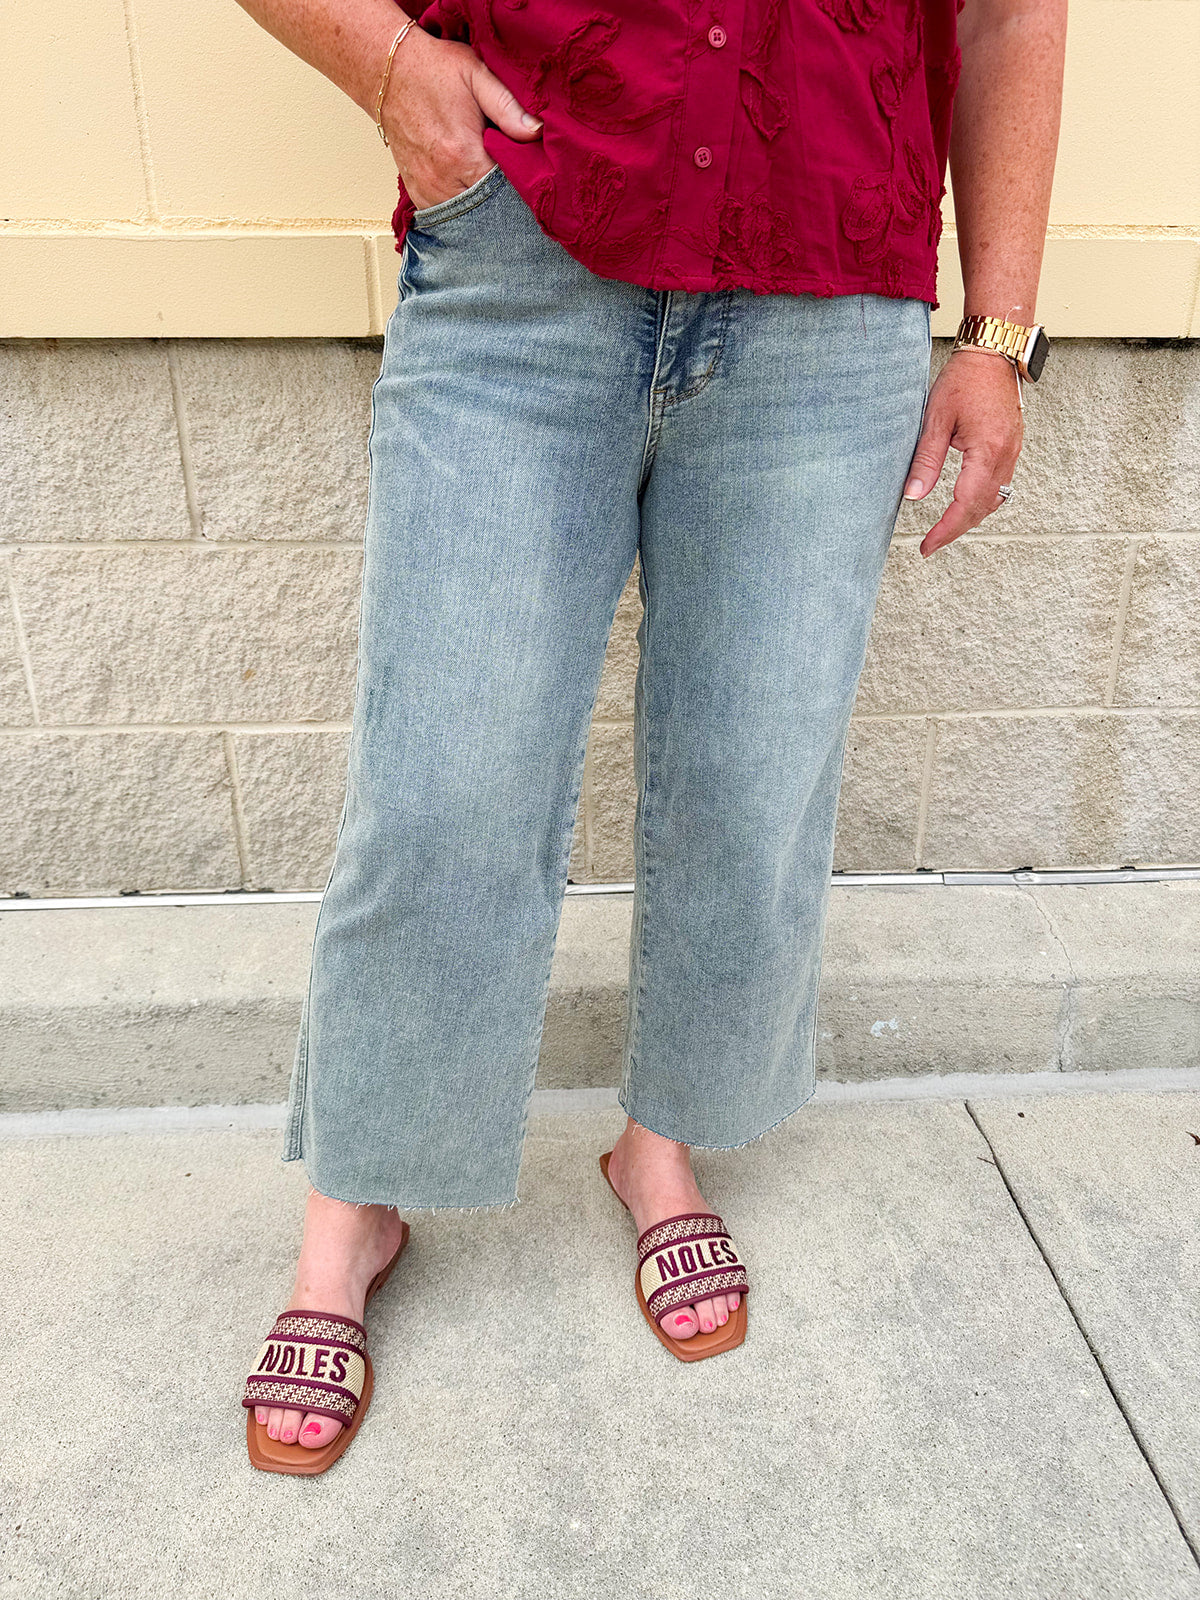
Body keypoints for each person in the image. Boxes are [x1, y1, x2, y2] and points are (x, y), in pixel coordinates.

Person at [235, 0, 1067, 1473]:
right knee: (443, 778)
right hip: (526, 250)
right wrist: (390, 65)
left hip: (828, 292)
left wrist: (998, 332)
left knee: (750, 777)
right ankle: (357, 1201)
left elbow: (1011, 12)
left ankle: (660, 1142)